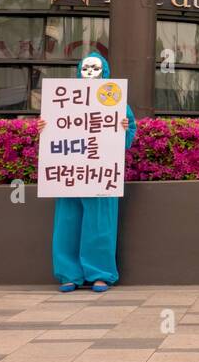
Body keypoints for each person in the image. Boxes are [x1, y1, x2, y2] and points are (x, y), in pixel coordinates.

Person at [38, 52, 136, 293]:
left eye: (95, 69)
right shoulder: (63, 101)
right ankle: (69, 274)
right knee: (67, 224)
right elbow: (54, 134)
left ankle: (100, 274)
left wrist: (123, 128)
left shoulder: (117, 101)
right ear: (78, 71)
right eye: (85, 69)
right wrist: (43, 127)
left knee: (100, 225)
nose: (90, 73)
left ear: (105, 71)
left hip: (101, 173)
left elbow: (128, 135)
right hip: (71, 173)